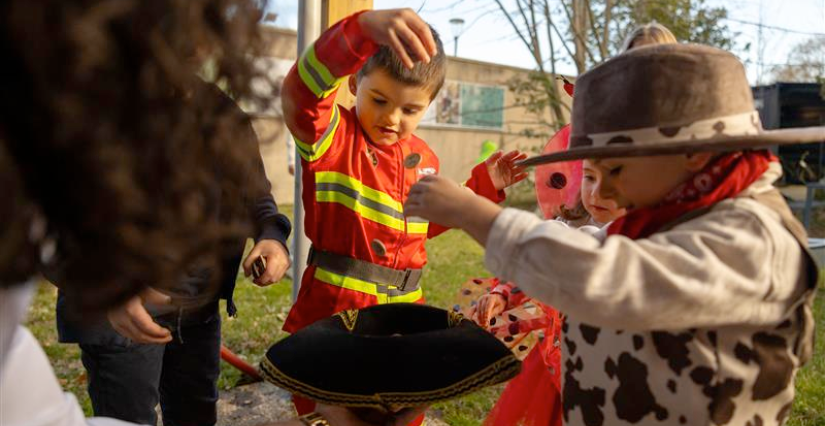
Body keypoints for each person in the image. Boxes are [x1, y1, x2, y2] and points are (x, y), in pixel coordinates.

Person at [406, 42, 822, 426]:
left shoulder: (750, 235)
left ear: (694, 154)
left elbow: (612, 277)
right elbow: (587, 244)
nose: (603, 191)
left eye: (617, 168)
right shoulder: (675, 213)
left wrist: (474, 214)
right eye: (593, 172)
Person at [280, 7, 526, 419]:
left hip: (405, 318)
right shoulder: (331, 138)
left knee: (402, 411)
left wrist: (483, 187)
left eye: (411, 110)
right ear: (355, 83)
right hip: (337, 314)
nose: (392, 118)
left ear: (429, 105)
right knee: (331, 414)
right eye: (379, 100)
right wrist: (358, 31)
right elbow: (301, 93)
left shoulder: (423, 158)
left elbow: (421, 224)